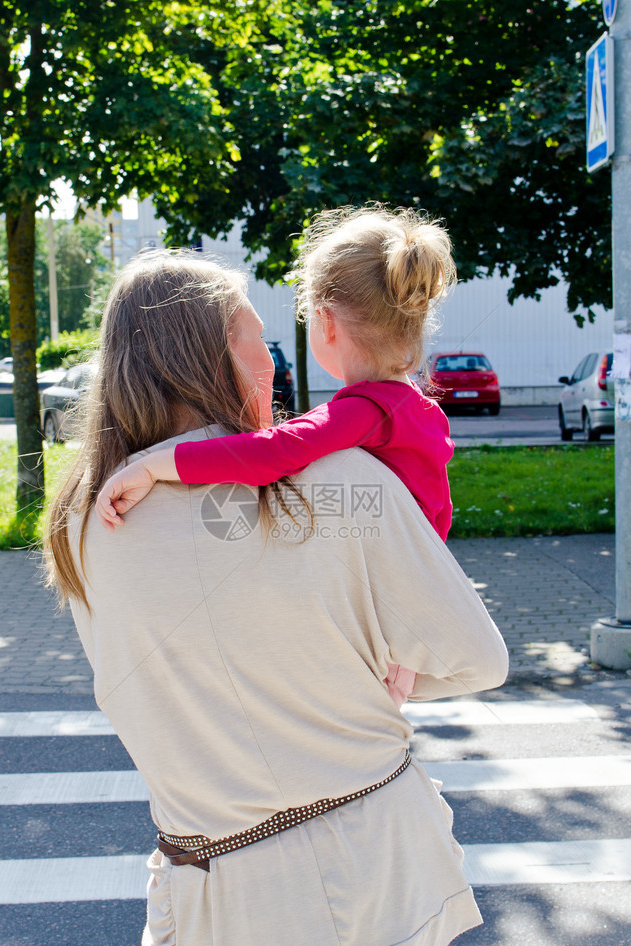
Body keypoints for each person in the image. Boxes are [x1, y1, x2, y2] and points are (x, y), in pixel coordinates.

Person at [45, 247, 508, 946]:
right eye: (256, 335)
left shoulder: (86, 522)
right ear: (217, 356)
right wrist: (391, 673)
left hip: (223, 918)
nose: (274, 362)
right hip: (384, 887)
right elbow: (477, 660)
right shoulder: (348, 481)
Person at [94, 207, 456, 706]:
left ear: (325, 324)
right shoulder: (423, 412)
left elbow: (273, 453)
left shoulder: (362, 411)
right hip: (415, 582)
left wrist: (158, 464)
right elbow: (438, 510)